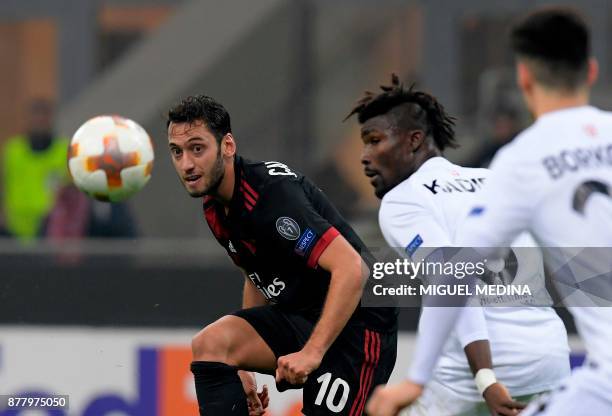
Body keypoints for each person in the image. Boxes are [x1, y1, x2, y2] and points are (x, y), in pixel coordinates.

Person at [367, 8, 612, 416]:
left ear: (524, 79)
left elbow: (454, 273)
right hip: (566, 369)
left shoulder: (521, 162)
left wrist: (416, 377)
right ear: (591, 71)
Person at [345, 75, 570, 415]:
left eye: (374, 140)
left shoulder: (403, 201)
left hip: (474, 378)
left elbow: (450, 280)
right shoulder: (493, 180)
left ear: (414, 140)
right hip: (549, 359)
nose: (364, 156)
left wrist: (485, 377)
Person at [166, 95, 398, 415]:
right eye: (177, 152)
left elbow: (353, 268)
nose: (186, 164)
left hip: (357, 326)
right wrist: (240, 367)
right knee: (212, 347)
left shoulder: (273, 197)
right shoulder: (214, 207)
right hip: (300, 316)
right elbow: (255, 274)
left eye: (197, 148)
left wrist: (312, 353)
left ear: (228, 146)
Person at [2, 98, 69, 240]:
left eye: (44, 117)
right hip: (15, 229)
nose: (40, 122)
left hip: (51, 229)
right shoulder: (13, 151)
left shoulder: (64, 151)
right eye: (36, 117)